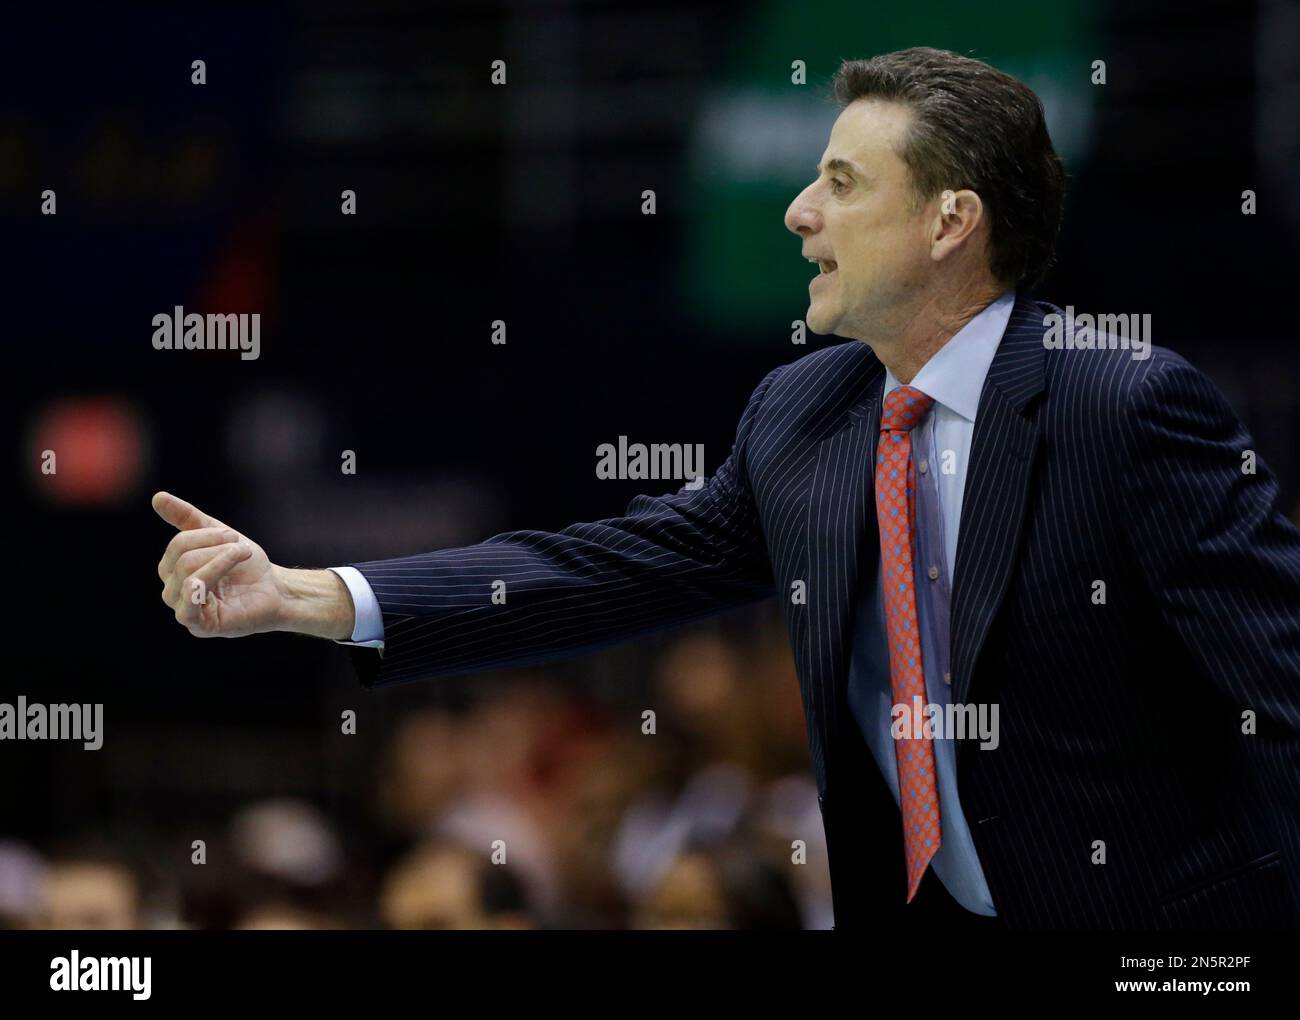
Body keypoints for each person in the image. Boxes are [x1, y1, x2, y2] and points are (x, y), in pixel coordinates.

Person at [153, 47, 1300, 930]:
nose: (800, 210)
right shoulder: (802, 417)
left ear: (952, 223)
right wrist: (305, 596)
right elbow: (597, 571)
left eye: (841, 182)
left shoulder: (1125, 405)